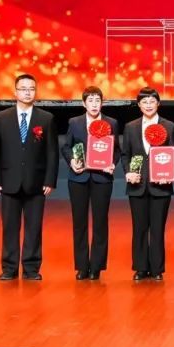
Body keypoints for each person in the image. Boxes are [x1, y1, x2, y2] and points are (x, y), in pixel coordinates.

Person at [0, 73, 57, 281]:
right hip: (9, 181)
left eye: (31, 89)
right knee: (9, 227)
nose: (27, 93)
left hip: (36, 183)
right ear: (15, 92)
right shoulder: (1, 118)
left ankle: (31, 268)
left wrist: (50, 180)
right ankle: (9, 268)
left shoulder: (46, 118)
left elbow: (52, 152)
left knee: (34, 227)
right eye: (23, 89)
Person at [60, 85, 119, 280]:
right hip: (79, 177)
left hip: (102, 178)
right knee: (79, 223)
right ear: (84, 103)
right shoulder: (75, 122)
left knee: (100, 222)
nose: (94, 104)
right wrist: (72, 161)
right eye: (90, 101)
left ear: (102, 103)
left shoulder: (111, 123)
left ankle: (97, 267)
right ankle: (82, 266)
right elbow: (66, 147)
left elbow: (117, 150)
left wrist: (112, 163)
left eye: (97, 101)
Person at [122, 87, 174, 281]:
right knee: (139, 228)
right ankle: (140, 267)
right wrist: (128, 172)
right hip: (137, 186)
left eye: (152, 101)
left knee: (157, 229)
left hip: (160, 186)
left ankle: (157, 269)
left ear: (158, 104)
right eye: (144, 102)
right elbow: (125, 154)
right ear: (139, 105)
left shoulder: (169, 126)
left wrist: (168, 173)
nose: (148, 105)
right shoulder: (130, 127)